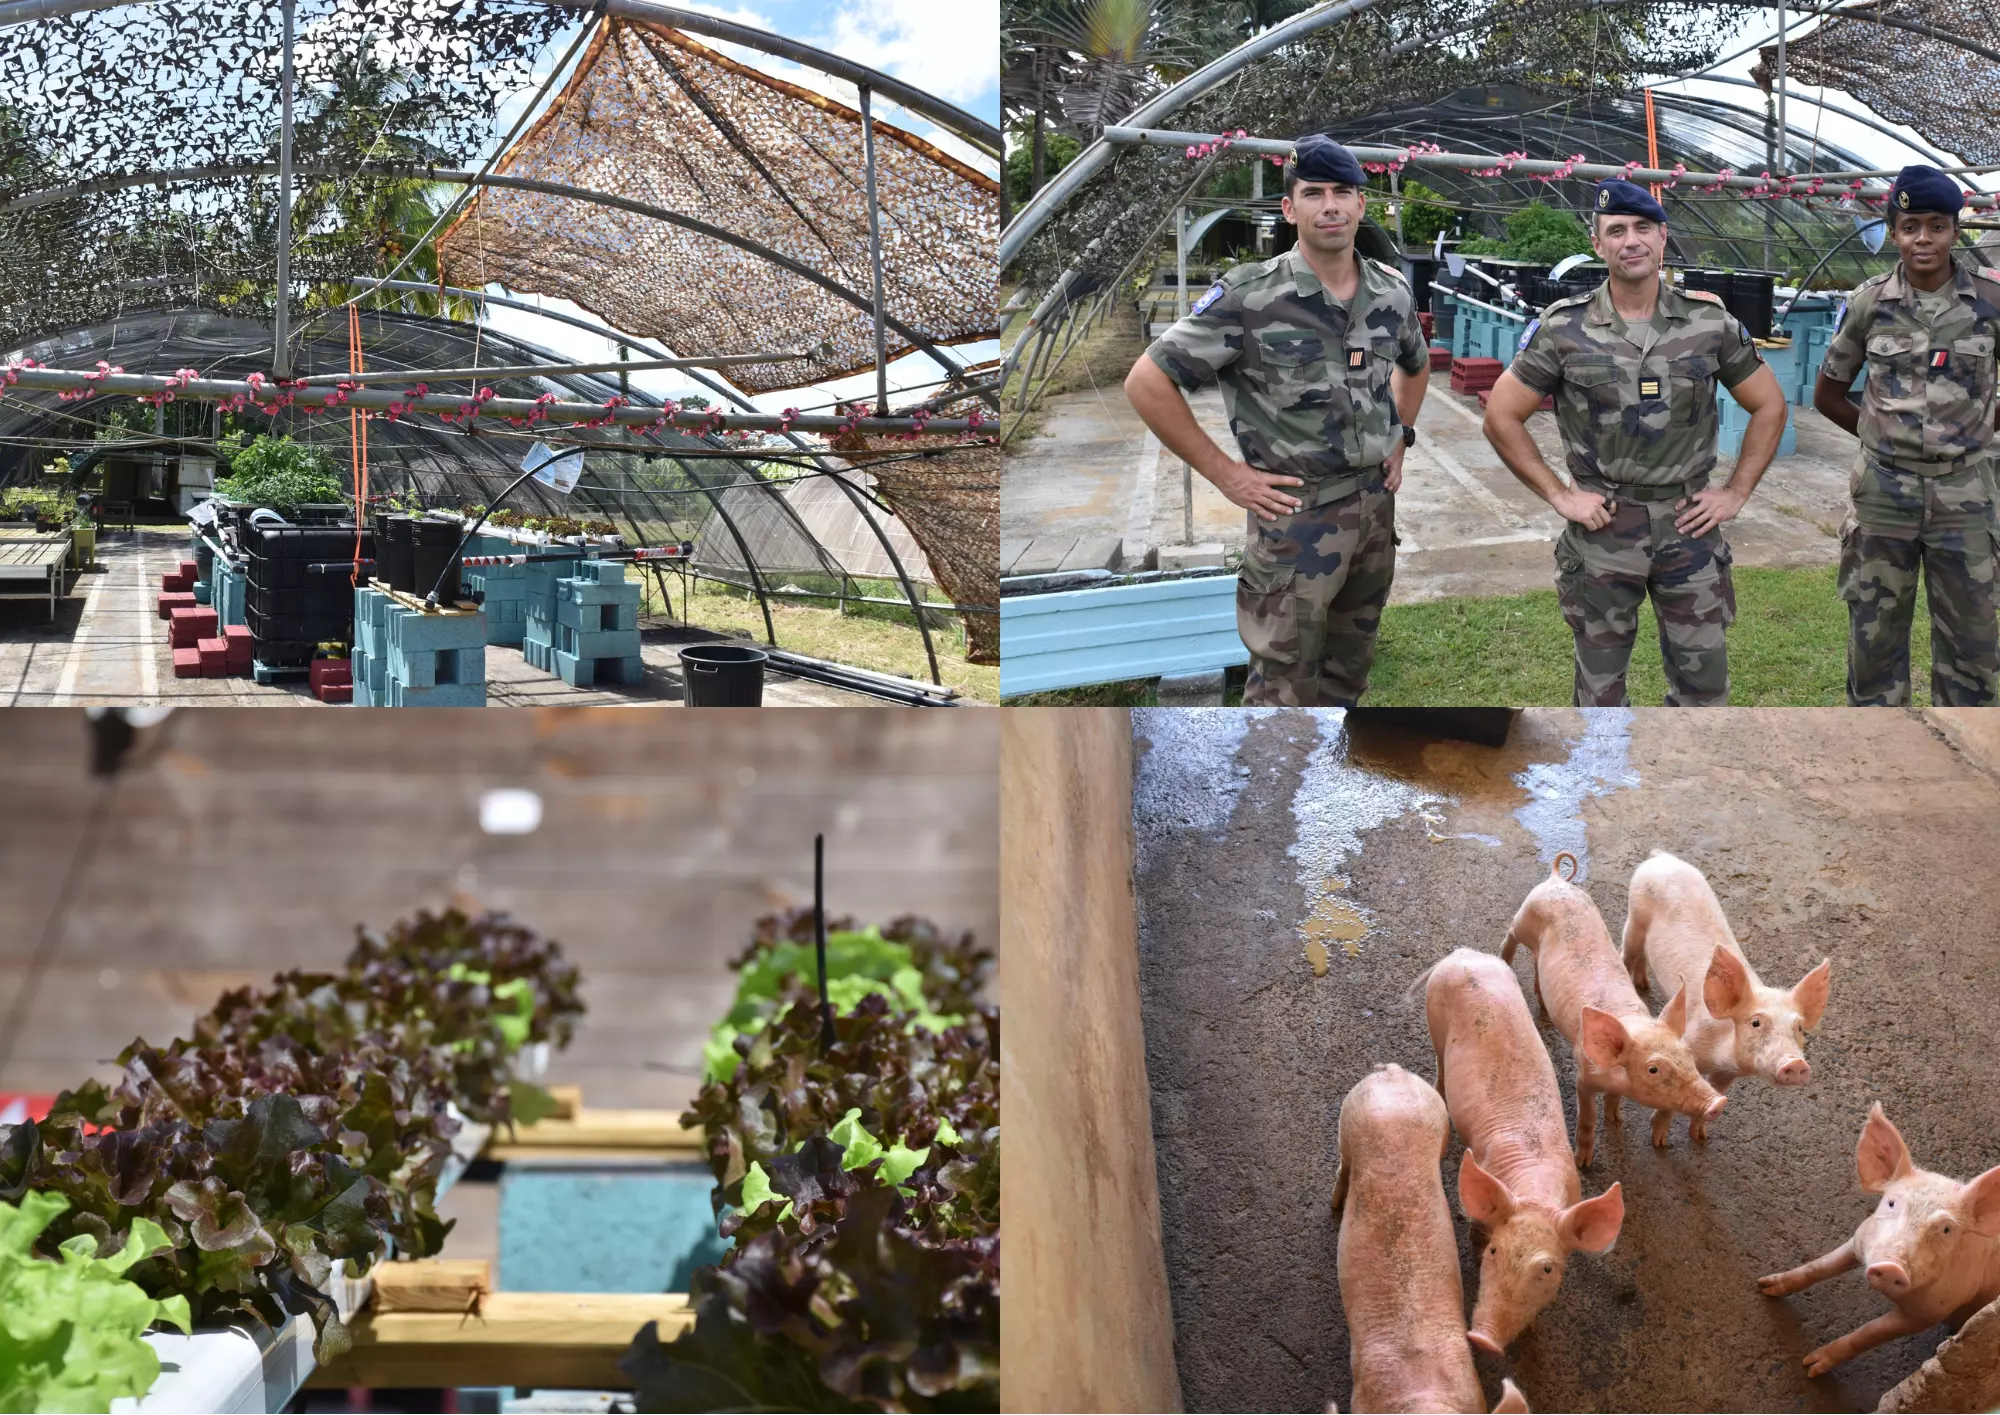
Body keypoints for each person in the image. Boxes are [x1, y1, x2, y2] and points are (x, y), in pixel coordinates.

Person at [1124, 134, 1430, 706]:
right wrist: (1226, 474)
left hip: (1372, 511)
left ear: (1362, 205)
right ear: (1290, 209)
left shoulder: (1391, 293)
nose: (1331, 205)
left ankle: (1331, 787)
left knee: (1350, 673)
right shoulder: (1250, 297)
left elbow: (1415, 365)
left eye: (1343, 192)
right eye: (1313, 193)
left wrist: (1401, 437)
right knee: (1282, 688)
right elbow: (1148, 382)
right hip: (1295, 521)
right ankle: (1270, 792)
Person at [1483, 178, 1788, 706]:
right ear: (1598, 244)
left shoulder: (1708, 321)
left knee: (1704, 690)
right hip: (1603, 532)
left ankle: (1693, 784)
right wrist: (1561, 495)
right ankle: (1605, 786)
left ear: (1663, 238)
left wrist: (1734, 493)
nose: (1631, 241)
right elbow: (1501, 416)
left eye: (1643, 228)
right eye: (1616, 231)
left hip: (1689, 528)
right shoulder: (1564, 328)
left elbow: (1769, 405)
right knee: (1599, 694)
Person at [1812, 163, 2000, 706]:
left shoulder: (1990, 303)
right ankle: (1878, 764)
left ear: (1955, 230)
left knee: (1973, 643)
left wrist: (1976, 429)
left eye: (1936, 225)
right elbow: (1829, 393)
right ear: (1894, 230)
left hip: (1964, 495)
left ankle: (1966, 762)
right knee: (1875, 639)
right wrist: (1881, 438)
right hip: (1882, 497)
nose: (1924, 238)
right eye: (1911, 225)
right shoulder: (1870, 304)